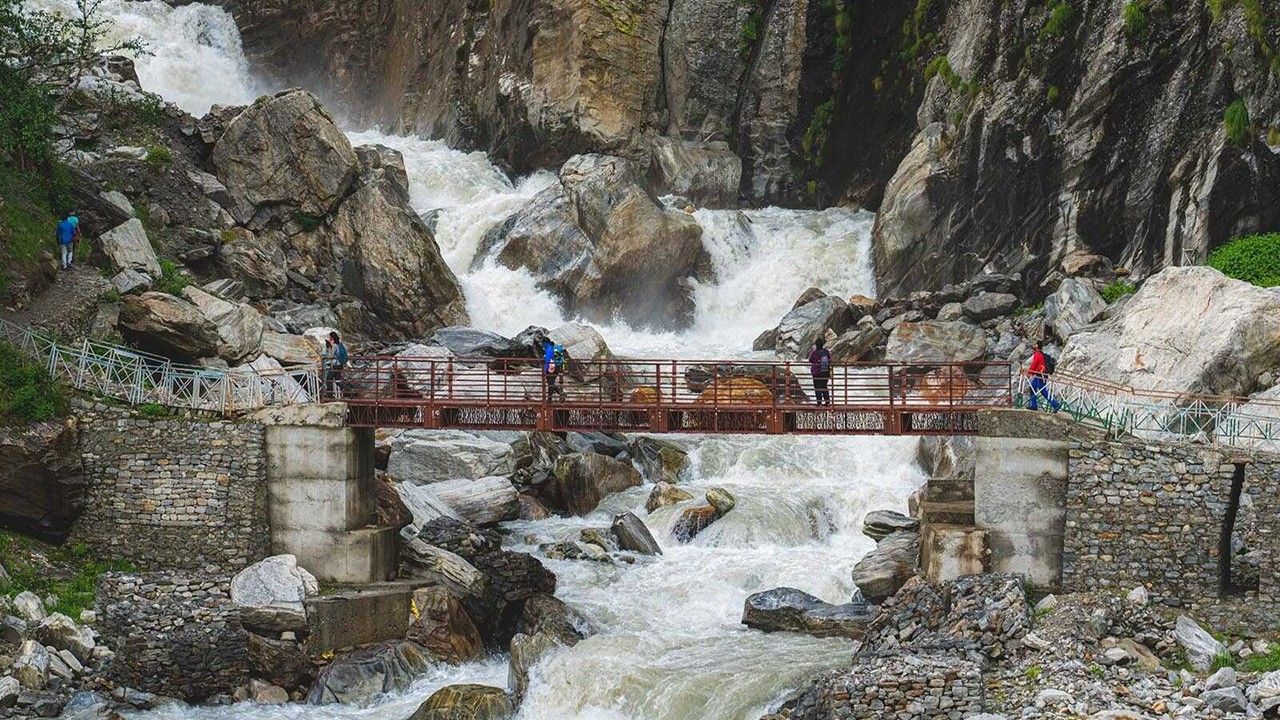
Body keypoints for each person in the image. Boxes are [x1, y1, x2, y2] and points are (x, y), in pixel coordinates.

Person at [1027, 342, 1060, 412]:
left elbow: (1034, 364)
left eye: (1035, 344)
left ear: (1037, 346)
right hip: (1041, 374)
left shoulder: (1037, 354)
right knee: (1033, 388)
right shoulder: (1041, 354)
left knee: (1042, 391)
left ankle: (1055, 404)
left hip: (1040, 375)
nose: (1033, 345)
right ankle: (1033, 405)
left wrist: (1029, 372)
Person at [809, 337, 833, 406]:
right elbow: (829, 360)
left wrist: (813, 351)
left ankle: (819, 403)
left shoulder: (815, 353)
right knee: (824, 386)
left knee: (817, 387)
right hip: (825, 371)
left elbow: (810, 360)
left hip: (817, 372)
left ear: (816, 345)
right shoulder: (826, 352)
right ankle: (827, 402)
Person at [542, 337, 567, 402]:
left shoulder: (549, 349)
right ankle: (558, 395)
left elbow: (547, 360)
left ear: (546, 343)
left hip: (551, 368)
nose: (543, 345)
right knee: (551, 383)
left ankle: (551, 399)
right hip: (557, 367)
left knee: (550, 384)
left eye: (543, 343)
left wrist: (545, 370)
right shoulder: (552, 347)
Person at [325, 331, 348, 399]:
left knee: (328, 379)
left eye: (330, 336)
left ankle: (330, 395)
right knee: (337, 380)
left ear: (332, 337)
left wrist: (329, 348)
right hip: (340, 365)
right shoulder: (339, 344)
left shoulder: (334, 345)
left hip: (335, 365)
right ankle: (348, 390)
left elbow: (331, 356)